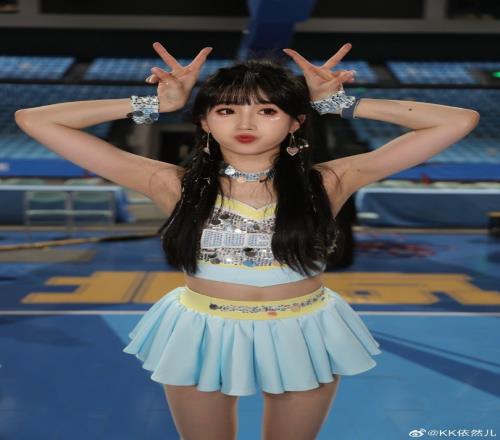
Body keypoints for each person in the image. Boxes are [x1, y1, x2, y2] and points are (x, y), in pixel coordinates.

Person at [14, 42, 480, 440]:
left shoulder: (330, 181)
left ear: (295, 122)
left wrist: (343, 103)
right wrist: (153, 104)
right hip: (202, 330)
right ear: (204, 122)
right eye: (227, 109)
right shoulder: (172, 184)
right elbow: (35, 120)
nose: (247, 121)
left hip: (303, 329)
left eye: (267, 109)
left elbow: (458, 121)